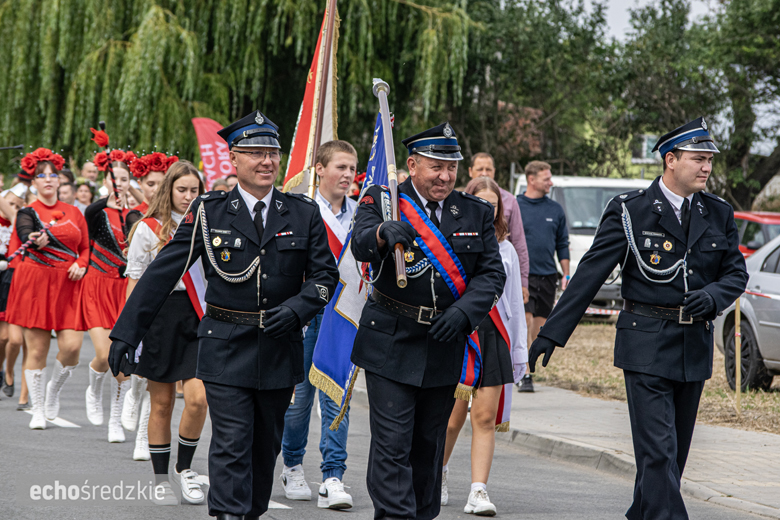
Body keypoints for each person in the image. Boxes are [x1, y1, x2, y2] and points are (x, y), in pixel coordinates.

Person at [108, 110, 339, 520]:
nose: (267, 161)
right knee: (232, 441)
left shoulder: (302, 212)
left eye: (272, 152)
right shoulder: (209, 210)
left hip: (279, 346)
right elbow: (163, 273)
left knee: (265, 446)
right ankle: (229, 515)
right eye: (255, 153)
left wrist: (297, 308)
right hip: (224, 344)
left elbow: (324, 277)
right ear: (234, 159)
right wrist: (126, 334)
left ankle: (245, 512)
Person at [528, 117, 748, 520]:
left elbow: (735, 273)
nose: (706, 168)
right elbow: (590, 274)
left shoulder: (717, 212)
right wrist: (551, 334)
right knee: (658, 452)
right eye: (698, 159)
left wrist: (713, 297)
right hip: (645, 344)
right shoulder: (632, 211)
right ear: (670, 160)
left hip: (692, 347)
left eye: (709, 160)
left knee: (671, 460)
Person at [351, 122, 506, 520]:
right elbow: (362, 242)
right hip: (390, 339)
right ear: (412, 165)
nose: (444, 176)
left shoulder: (474, 211)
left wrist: (464, 313)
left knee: (428, 445)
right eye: (435, 166)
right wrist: (385, 233)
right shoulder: (383, 200)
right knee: (392, 443)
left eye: (451, 167)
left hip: (443, 340)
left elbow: (491, 275)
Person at [441, 176, 527, 516]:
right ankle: (439, 472)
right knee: (450, 420)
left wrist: (520, 351)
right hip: (459, 334)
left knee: (485, 417)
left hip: (492, 335)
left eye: (493, 205)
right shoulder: (449, 240)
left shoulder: (506, 248)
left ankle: (478, 490)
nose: (487, 210)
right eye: (481, 203)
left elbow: (515, 306)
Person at [123, 160, 208, 503]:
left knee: (198, 398)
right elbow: (135, 284)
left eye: (194, 190)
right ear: (168, 190)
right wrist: (130, 332)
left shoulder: (210, 224)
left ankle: (184, 468)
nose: (188, 196)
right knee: (161, 403)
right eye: (182, 189)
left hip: (198, 315)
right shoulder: (149, 228)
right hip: (159, 317)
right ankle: (160, 478)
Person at [279, 140, 357, 509]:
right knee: (298, 402)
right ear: (320, 169)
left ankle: (333, 476)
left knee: (337, 398)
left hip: (343, 318)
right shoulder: (302, 211)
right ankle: (293, 464)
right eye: (340, 167)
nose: (347, 175)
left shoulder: (362, 215)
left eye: (352, 168)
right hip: (307, 317)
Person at [7, 149, 89, 429]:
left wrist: (81, 262)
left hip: (68, 284)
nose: (48, 180)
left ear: (61, 181)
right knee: (37, 351)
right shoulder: (28, 212)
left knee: (72, 347)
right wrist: (35, 238)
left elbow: (86, 247)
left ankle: (54, 388)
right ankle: (39, 407)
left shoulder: (75, 212)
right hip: (36, 284)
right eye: (41, 175)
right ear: (33, 183)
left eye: (53, 174)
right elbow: (24, 227)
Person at [82, 152, 136, 442]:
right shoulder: (96, 211)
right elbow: (88, 222)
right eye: (115, 179)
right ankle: (93, 387)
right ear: (105, 181)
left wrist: (130, 196)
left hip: (123, 290)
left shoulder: (136, 214)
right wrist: (110, 196)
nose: (120, 183)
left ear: (131, 182)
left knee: (121, 362)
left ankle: (115, 420)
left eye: (125, 179)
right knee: (103, 355)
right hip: (96, 286)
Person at [516, 160, 569, 392]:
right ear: (531, 179)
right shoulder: (515, 206)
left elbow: (562, 244)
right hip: (523, 277)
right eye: (546, 178)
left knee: (538, 329)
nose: (551, 182)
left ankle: (527, 367)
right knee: (525, 323)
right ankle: (525, 374)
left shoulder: (555, 210)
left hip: (548, 277)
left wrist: (566, 274)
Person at [468, 152, 530, 301]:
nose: (484, 173)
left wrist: (522, 281)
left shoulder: (509, 200)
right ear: (470, 171)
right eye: (480, 169)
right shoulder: (460, 199)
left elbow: (519, 243)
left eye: (488, 169)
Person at [0, 184, 28, 402]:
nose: (15, 208)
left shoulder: (22, 224)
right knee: (2, 338)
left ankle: (10, 374)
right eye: (11, 204)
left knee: (11, 337)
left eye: (19, 205)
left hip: (14, 278)